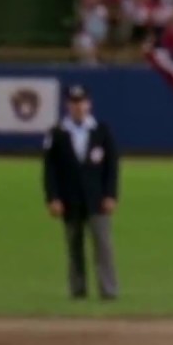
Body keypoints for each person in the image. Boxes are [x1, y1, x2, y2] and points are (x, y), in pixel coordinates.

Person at [42, 83, 120, 300]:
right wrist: (53, 198)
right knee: (74, 246)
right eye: (74, 102)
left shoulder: (101, 131)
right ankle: (78, 289)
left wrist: (111, 194)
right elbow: (50, 170)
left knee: (103, 245)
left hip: (97, 198)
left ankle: (108, 289)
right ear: (68, 105)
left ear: (89, 104)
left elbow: (112, 166)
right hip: (70, 198)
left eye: (82, 102)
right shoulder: (57, 133)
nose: (78, 107)